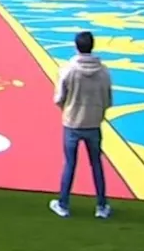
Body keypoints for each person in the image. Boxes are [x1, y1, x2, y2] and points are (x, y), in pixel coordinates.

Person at [49, 31, 114, 219]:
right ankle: (101, 205)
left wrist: (68, 110)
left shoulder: (68, 70)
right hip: (93, 122)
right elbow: (108, 99)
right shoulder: (103, 71)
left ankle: (63, 203)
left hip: (73, 122)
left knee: (70, 163)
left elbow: (59, 98)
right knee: (96, 164)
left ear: (76, 46)